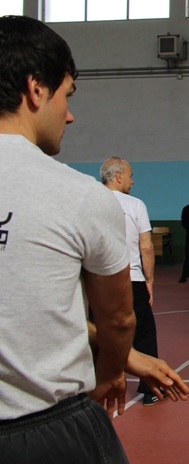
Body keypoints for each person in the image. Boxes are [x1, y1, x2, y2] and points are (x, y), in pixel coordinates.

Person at [0, 15, 135, 461]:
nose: (70, 114)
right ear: (36, 89)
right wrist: (115, 370)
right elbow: (119, 320)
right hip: (42, 432)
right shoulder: (79, 197)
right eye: (67, 95)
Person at [100, 156, 162, 406]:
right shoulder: (135, 205)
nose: (132, 180)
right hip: (130, 279)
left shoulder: (87, 200)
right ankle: (149, 389)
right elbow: (146, 247)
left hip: (98, 280)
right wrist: (149, 280)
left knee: (98, 332)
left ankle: (98, 388)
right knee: (143, 332)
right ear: (118, 176)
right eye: (130, 175)